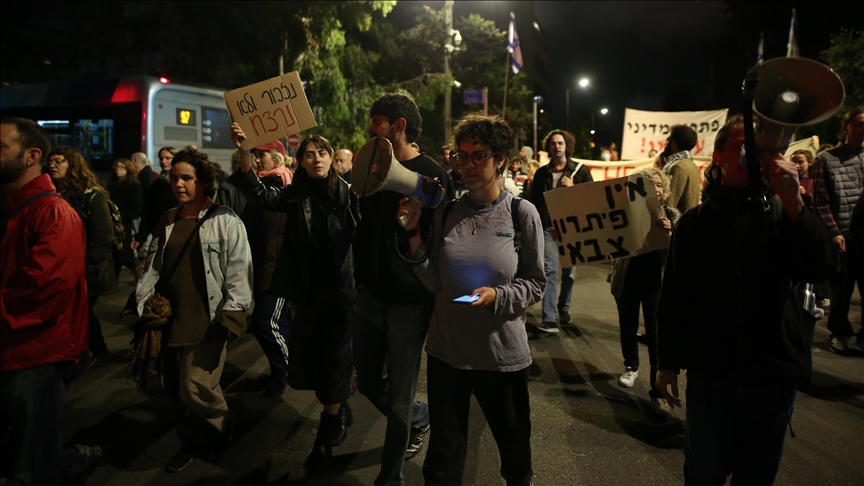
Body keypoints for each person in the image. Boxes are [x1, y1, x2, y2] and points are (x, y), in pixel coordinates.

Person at [655, 115, 839, 484]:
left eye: (765, 149)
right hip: (712, 377)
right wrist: (668, 363)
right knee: (704, 472)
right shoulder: (694, 224)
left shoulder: (784, 214)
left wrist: (793, 202)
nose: (755, 156)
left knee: (756, 476)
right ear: (719, 156)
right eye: (743, 147)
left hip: (771, 377)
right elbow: (675, 295)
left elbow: (822, 268)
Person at [397, 113, 545, 486]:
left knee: (514, 452)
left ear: (500, 160)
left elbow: (536, 283)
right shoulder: (447, 212)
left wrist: (499, 295)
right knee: (443, 459)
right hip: (448, 353)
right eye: (463, 156)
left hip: (500, 357)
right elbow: (435, 282)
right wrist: (413, 234)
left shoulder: (520, 213)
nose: (469, 165)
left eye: (480, 156)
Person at [232, 125, 359, 469]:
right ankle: (340, 407)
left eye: (322, 153)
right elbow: (260, 196)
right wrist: (245, 153)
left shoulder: (349, 193)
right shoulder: (296, 194)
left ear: (332, 158)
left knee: (335, 360)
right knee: (316, 363)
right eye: (308, 154)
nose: (316, 159)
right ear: (299, 161)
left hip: (342, 294)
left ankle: (325, 439)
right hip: (307, 294)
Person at [353, 93, 455, 486]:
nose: (369, 129)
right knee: (367, 382)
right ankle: (418, 415)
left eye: (377, 121)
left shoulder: (432, 173)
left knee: (397, 396)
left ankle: (390, 478)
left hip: (409, 301)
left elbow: (442, 239)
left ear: (399, 126)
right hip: (370, 294)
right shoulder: (369, 168)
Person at [134, 148, 251, 472]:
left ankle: (220, 428)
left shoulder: (225, 220)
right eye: (174, 178)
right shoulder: (168, 220)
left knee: (196, 386)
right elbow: (153, 267)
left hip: (209, 319)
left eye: (187, 178)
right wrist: (143, 303)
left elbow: (239, 271)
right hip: (171, 321)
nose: (178, 184)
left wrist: (232, 316)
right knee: (174, 390)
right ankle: (190, 443)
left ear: (203, 182)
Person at [1, 117, 102, 484]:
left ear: (31, 155)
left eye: (1, 147)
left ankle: (70, 460)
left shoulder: (54, 213)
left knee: (33, 463)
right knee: (31, 447)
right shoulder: (19, 206)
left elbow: (41, 293)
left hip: (37, 354)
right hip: (17, 347)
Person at [608, 167, 678, 417]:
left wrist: (671, 233)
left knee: (657, 335)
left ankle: (657, 389)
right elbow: (600, 235)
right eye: (648, 185)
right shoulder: (624, 214)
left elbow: (681, 255)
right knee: (627, 326)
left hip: (656, 286)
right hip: (628, 280)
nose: (655, 189)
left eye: (658, 185)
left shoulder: (673, 216)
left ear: (664, 190)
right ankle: (631, 366)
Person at [47, 146, 116, 368]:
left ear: (73, 165)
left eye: (59, 161)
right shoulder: (51, 193)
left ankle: (96, 353)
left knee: (82, 311)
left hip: (87, 269)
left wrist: (88, 266)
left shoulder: (91, 195)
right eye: (51, 161)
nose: (53, 165)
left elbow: (103, 235)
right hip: (63, 267)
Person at [240, 141, 294, 397]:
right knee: (278, 323)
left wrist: (272, 272)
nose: (258, 159)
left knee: (264, 323)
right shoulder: (264, 187)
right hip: (264, 267)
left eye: (262, 155)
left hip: (276, 271)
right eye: (256, 155)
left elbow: (275, 237)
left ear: (277, 158)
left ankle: (288, 367)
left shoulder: (280, 186)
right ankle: (281, 371)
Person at [527, 129, 593, 334]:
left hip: (571, 229)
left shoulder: (580, 171)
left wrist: (573, 187)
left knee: (570, 274)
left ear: (567, 146)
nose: (557, 147)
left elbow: (592, 198)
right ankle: (549, 319)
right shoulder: (541, 173)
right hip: (549, 229)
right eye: (553, 143)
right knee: (549, 271)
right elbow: (533, 201)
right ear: (549, 147)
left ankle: (563, 308)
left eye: (560, 143)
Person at [814, 106, 864, 354]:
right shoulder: (827, 159)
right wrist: (834, 232)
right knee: (841, 292)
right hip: (843, 235)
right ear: (846, 127)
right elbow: (821, 201)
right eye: (859, 124)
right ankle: (840, 334)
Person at [131, 146, 179, 254]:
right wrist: (140, 237)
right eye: (161, 158)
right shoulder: (156, 186)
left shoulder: (181, 183)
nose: (163, 161)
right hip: (160, 235)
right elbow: (149, 212)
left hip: (180, 234)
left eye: (168, 158)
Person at [107, 157, 141, 282]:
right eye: (117, 166)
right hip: (112, 221)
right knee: (116, 252)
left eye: (122, 167)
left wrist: (125, 218)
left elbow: (134, 205)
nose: (118, 169)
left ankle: (136, 268)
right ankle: (115, 280)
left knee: (123, 252)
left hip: (124, 222)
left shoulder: (132, 185)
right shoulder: (113, 183)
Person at [660, 124, 701, 214]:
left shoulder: (678, 167)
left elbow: (668, 204)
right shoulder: (690, 164)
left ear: (674, 143)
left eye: (667, 139)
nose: (665, 143)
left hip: (677, 225)